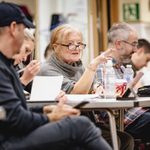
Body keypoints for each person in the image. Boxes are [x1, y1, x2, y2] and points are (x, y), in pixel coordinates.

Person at [0, 2, 112, 150]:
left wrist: (46, 109)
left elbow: (16, 110)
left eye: (79, 44)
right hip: (8, 140)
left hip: (13, 134)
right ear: (14, 28)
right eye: (23, 29)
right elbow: (15, 118)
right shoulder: (3, 68)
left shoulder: (5, 65)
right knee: (80, 125)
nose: (77, 48)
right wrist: (50, 116)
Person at [38, 23, 134, 150]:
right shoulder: (47, 69)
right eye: (70, 44)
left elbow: (91, 86)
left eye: (79, 44)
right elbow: (76, 93)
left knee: (126, 139)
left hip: (86, 121)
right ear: (55, 47)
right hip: (64, 125)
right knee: (113, 140)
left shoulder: (77, 65)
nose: (76, 48)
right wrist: (93, 66)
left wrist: (97, 87)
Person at [124, 39, 150, 141]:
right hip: (124, 116)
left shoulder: (134, 71)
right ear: (140, 51)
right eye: (147, 59)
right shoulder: (125, 68)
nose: (146, 64)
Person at [13, 28, 40, 93]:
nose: (25, 58)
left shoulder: (16, 67)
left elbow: (34, 89)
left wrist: (54, 92)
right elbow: (5, 98)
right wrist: (24, 80)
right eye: (26, 50)